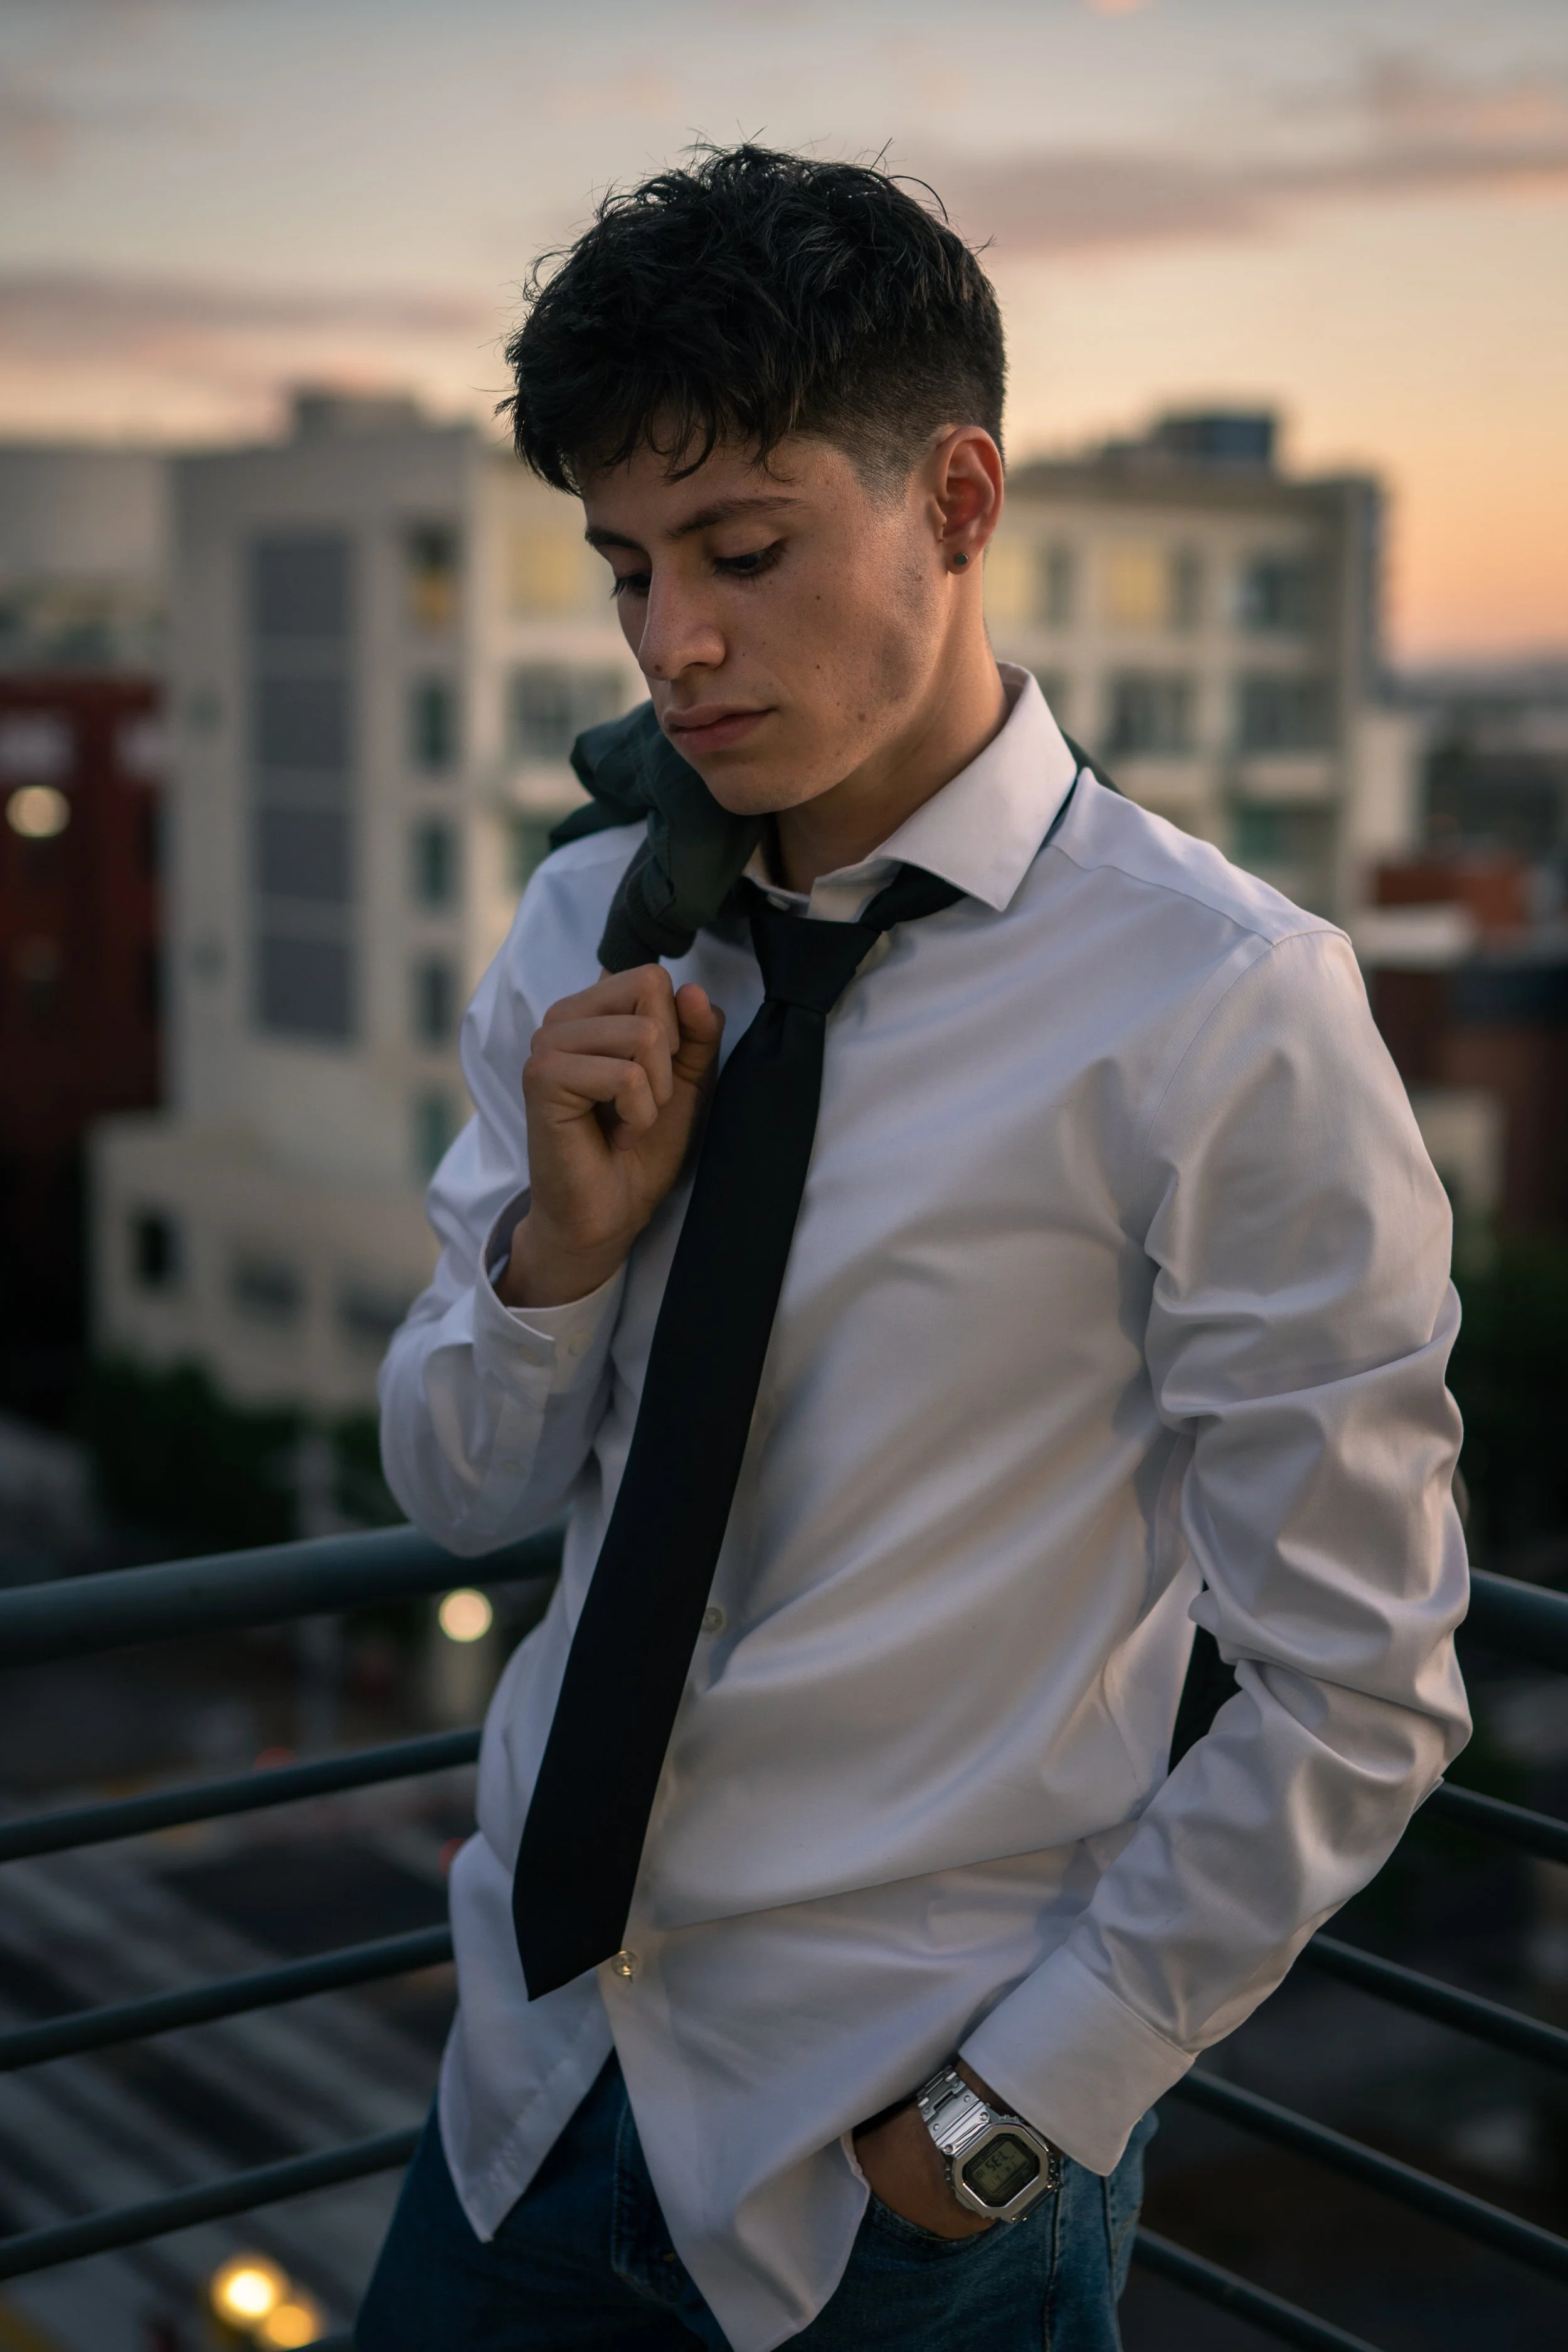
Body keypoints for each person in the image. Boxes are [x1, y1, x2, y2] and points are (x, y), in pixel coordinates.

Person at [363, 146, 1469, 2352]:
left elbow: (1359, 1681)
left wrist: (997, 2123)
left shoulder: (1221, 1005)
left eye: (743, 552)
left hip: (893, 2183)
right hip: (518, 2089)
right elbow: (459, 1494)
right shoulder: (586, 927)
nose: (675, 641)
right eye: (626, 569)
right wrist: (554, 1265)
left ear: (953, 501)